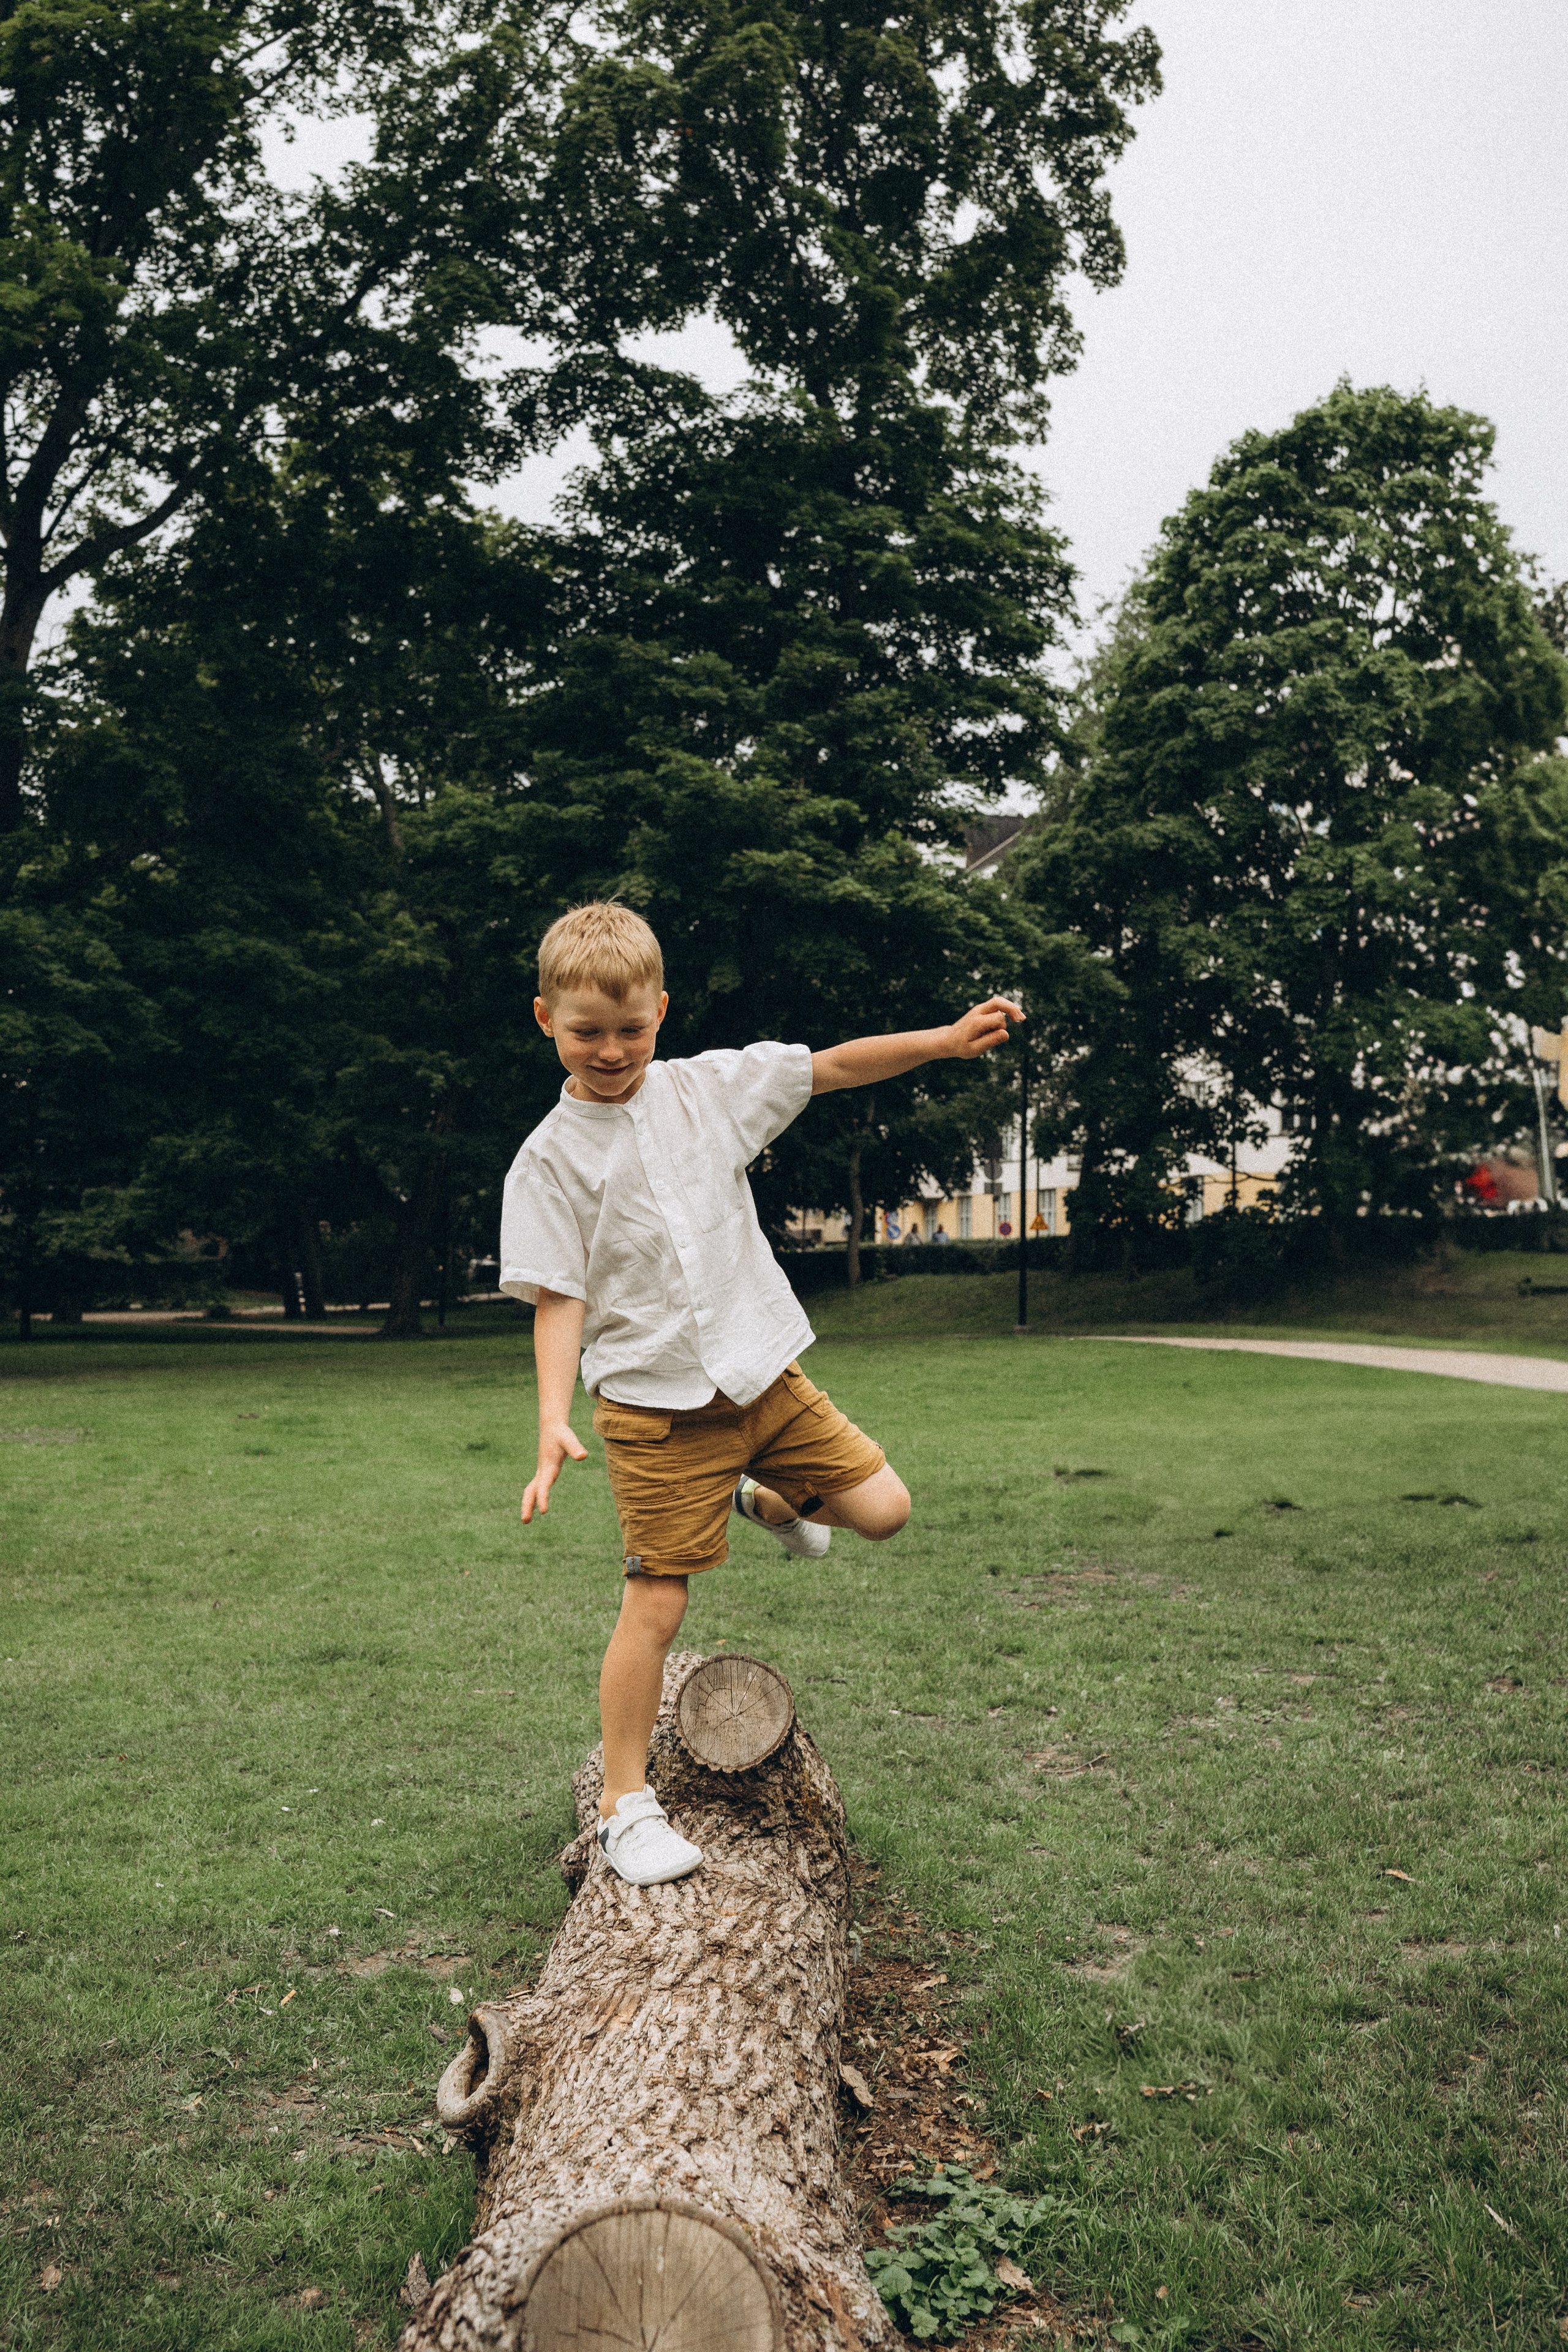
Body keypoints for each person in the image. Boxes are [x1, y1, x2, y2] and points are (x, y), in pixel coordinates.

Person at [500, 902, 1020, 1888]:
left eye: (631, 1029)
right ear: (545, 1020)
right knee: (656, 1604)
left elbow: (834, 1065)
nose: (610, 1051)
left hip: (762, 1372)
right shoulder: (548, 1162)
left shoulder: (709, 1092)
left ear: (662, 1009)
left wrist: (947, 1042)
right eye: (585, 1032)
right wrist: (551, 1421)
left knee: (887, 1512)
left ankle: (766, 1500)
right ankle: (623, 1808)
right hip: (656, 1417)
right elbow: (558, 1302)